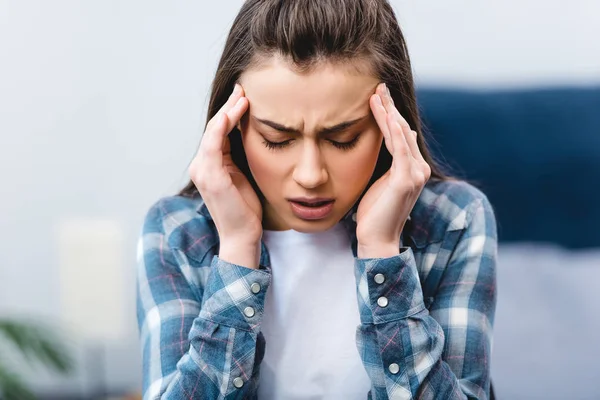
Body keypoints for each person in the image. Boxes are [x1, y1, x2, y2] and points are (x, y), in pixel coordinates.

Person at [136, 0, 498, 399]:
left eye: (343, 139)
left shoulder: (454, 220)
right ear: (234, 125)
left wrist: (382, 253)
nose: (310, 175)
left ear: (389, 124)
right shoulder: (175, 233)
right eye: (277, 139)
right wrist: (237, 249)